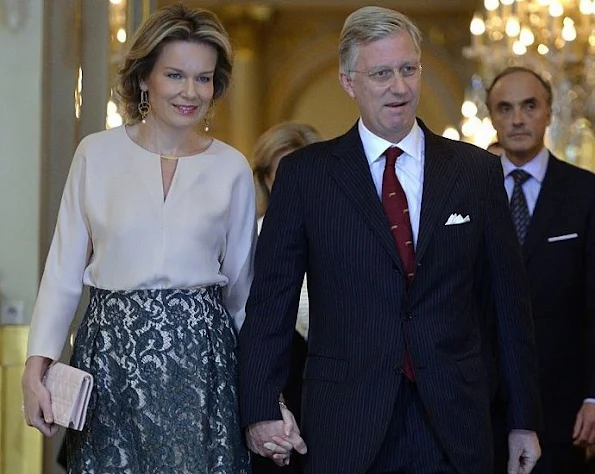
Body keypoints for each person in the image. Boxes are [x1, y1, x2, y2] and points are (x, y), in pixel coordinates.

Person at [238, 6, 542, 474]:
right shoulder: (306, 176)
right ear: (348, 81)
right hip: (345, 423)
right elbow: (269, 304)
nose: (399, 88)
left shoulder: (475, 172)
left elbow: (508, 305)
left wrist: (523, 420)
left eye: (408, 70)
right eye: (381, 73)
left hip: (453, 424)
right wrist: (260, 408)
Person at [21, 5, 256, 473]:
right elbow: (63, 272)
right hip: (110, 359)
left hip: (203, 365)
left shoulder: (232, 168)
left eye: (204, 78)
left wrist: (264, 390)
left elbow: (243, 293)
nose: (192, 92)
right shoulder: (96, 154)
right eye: (175, 75)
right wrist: (35, 367)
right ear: (145, 77)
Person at [486, 66, 595, 474]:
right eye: (505, 108)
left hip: (563, 408)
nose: (517, 119)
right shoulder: (465, 193)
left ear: (549, 112)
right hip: (481, 408)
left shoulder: (586, 193)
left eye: (529, 106)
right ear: (492, 117)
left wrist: (594, 397)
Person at [250, 121, 321, 473]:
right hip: (275, 395)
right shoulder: (248, 243)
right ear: (265, 179)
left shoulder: (344, 240)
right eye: (285, 174)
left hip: (330, 395)